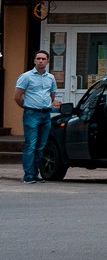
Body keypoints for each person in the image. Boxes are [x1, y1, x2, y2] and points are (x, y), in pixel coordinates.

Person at [13, 50, 60, 184]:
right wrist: (28, 107)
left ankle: (35, 173)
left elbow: (52, 95)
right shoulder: (26, 76)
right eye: (38, 58)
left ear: (47, 61)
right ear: (34, 61)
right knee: (30, 145)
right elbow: (17, 96)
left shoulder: (50, 77)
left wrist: (48, 104)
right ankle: (28, 175)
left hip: (45, 114)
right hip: (31, 114)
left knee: (41, 146)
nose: (40, 61)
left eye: (43, 59)